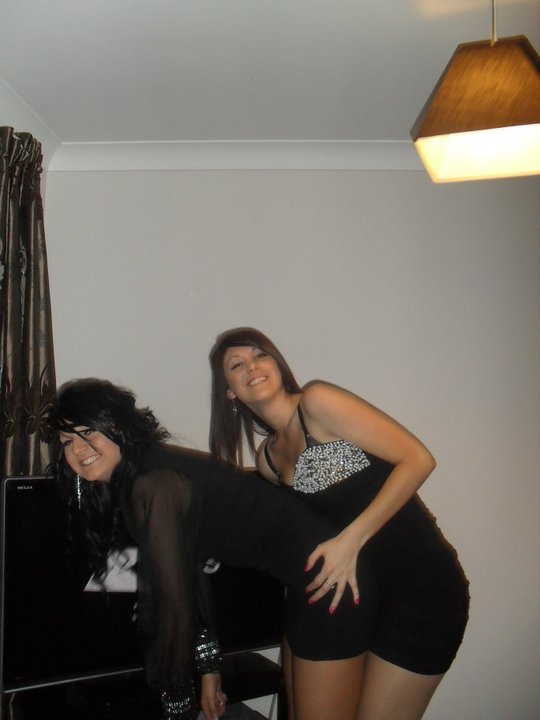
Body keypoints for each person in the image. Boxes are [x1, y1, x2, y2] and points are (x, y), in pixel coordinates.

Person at [48, 378, 379, 720]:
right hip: (309, 583)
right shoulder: (148, 472)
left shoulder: (152, 485)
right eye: (67, 441)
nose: (78, 450)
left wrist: (177, 700)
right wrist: (209, 671)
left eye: (88, 432)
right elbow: (190, 573)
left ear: (117, 425)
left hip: (333, 582)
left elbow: (171, 603)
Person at [209, 327, 470, 720]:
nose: (252, 367)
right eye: (236, 364)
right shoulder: (268, 461)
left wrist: (351, 540)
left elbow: (418, 459)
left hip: (424, 591)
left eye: (260, 355)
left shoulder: (317, 402)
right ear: (229, 391)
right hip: (363, 601)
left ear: (277, 364)